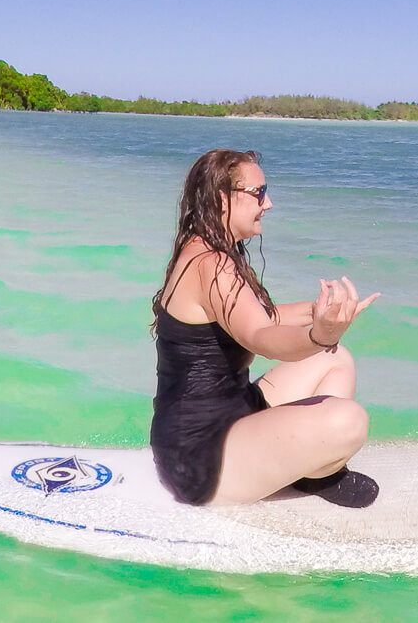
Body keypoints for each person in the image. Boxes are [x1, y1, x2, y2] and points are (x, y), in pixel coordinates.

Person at [150, 148, 381, 507]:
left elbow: (261, 316)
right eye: (258, 192)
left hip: (233, 415)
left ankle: (307, 470)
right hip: (199, 456)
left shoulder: (208, 250)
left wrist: (320, 311)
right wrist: (319, 335)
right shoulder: (210, 264)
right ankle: (312, 471)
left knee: (336, 360)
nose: (268, 203)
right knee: (348, 421)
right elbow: (260, 336)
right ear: (221, 199)